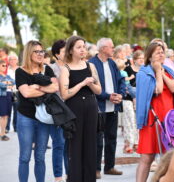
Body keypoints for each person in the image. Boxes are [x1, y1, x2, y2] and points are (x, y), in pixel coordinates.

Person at [135, 41, 174, 182]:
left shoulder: (168, 71)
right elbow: (157, 90)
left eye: (162, 52)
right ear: (149, 56)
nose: (161, 54)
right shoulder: (143, 73)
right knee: (147, 157)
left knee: (168, 156)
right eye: (157, 52)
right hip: (151, 120)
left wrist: (162, 74)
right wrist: (157, 72)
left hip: (169, 120)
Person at [15, 40, 59, 182]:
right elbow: (26, 93)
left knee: (40, 156)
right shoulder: (20, 71)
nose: (41, 54)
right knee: (25, 156)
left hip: (44, 117)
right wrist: (44, 89)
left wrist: (37, 87)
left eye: (42, 51)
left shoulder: (47, 69)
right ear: (29, 53)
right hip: (26, 117)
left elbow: (55, 88)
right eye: (37, 51)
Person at [60, 36, 101, 182]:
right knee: (75, 146)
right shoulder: (66, 69)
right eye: (79, 47)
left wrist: (90, 84)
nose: (83, 49)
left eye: (84, 46)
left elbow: (98, 90)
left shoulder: (91, 66)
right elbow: (65, 94)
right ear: (71, 50)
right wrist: (82, 83)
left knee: (91, 144)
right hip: (74, 108)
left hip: (91, 106)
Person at [89, 38, 126, 179]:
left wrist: (121, 95)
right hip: (99, 107)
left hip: (114, 106)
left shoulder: (112, 63)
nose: (113, 49)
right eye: (111, 47)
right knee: (97, 140)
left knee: (112, 138)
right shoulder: (91, 64)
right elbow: (92, 87)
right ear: (103, 48)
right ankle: (96, 169)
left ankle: (109, 167)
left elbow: (121, 80)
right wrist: (107, 96)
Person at [49, 39, 67, 182]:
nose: (67, 53)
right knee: (59, 143)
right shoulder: (51, 69)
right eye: (63, 51)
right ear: (56, 54)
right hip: (57, 110)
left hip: (72, 109)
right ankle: (58, 176)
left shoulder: (71, 66)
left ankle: (70, 173)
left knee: (70, 144)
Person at [0, 60, 14, 141]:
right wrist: (8, 84)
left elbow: (14, 82)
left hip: (9, 96)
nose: (5, 67)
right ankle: (2, 134)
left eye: (6, 66)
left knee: (6, 116)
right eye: (3, 66)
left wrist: (7, 83)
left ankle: (3, 132)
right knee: (3, 115)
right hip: (2, 96)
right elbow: (2, 86)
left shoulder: (7, 75)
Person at [6, 54, 19, 133]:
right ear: (9, 61)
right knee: (7, 110)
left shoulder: (20, 69)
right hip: (7, 91)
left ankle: (16, 127)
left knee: (17, 110)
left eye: (14, 59)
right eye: (11, 59)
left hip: (17, 92)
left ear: (17, 61)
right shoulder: (6, 69)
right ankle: (7, 127)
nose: (12, 61)